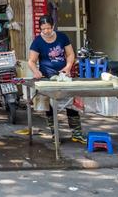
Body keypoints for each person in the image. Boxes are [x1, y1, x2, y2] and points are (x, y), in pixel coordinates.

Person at [28, 15, 85, 144]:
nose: (46, 31)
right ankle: (55, 134)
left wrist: (68, 66)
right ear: (40, 29)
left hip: (64, 76)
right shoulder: (37, 42)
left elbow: (70, 54)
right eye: (43, 29)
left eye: (48, 28)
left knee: (70, 104)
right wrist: (36, 71)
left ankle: (77, 133)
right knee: (50, 106)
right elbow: (31, 61)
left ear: (53, 26)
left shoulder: (62, 37)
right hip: (47, 77)